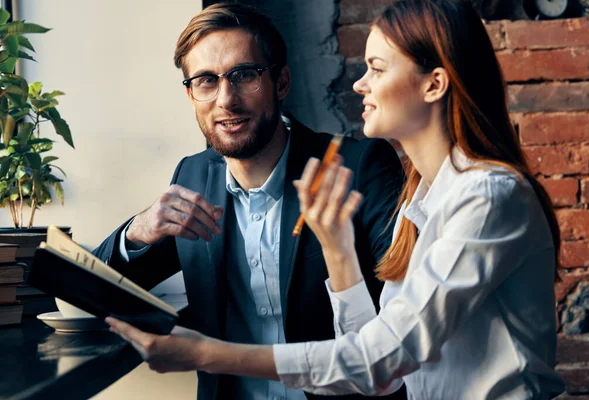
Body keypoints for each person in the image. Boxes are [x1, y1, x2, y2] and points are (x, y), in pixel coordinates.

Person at [106, 0, 567, 398]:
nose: (359, 84)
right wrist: (338, 250)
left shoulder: (485, 196)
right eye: (205, 81)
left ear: (433, 84)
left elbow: (383, 357)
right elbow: (378, 370)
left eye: (377, 68)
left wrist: (206, 354)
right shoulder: (427, 196)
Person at [93, 3, 405, 400]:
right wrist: (137, 232)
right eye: (206, 80)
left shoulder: (358, 167)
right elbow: (94, 292)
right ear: (190, 94)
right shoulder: (191, 177)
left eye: (244, 75)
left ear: (281, 82)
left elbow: (402, 327)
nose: (226, 99)